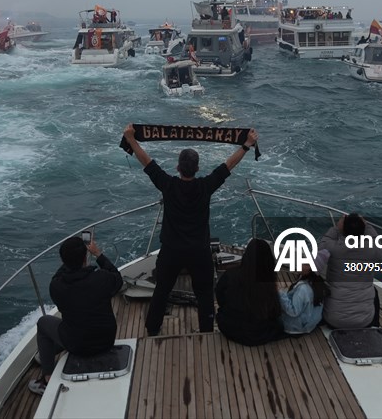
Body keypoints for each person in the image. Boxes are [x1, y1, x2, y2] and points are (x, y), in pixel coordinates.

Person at [122, 123, 258, 336]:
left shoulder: (168, 185)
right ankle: (206, 330)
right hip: (199, 251)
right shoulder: (205, 186)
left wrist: (131, 139)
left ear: (178, 167)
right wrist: (246, 145)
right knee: (204, 293)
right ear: (197, 168)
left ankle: (152, 329)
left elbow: (146, 161)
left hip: (171, 251)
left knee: (162, 290)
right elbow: (228, 165)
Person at [29, 234, 123, 395]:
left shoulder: (57, 286)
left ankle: (47, 378)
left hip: (77, 345)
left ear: (63, 260)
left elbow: (59, 276)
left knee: (44, 323)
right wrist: (98, 254)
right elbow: (117, 278)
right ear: (85, 257)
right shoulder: (102, 278)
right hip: (106, 340)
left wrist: (70, 261)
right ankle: (47, 362)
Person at [215, 238, 286, 345]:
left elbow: (219, 297)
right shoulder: (267, 282)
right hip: (260, 333)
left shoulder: (229, 275)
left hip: (231, 329)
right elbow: (274, 311)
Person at [320, 213, 382, 329]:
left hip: (333, 320)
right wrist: (366, 225)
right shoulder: (373, 250)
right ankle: (375, 325)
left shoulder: (333, 247)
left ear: (343, 228)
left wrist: (336, 228)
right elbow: (376, 240)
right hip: (364, 321)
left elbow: (323, 243)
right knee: (374, 291)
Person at [278, 249, 329, 335]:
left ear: (311, 269)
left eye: (305, 263)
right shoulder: (319, 284)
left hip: (294, 328)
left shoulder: (303, 289)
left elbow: (293, 311)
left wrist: (280, 293)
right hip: (309, 325)